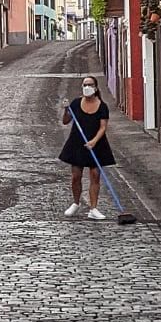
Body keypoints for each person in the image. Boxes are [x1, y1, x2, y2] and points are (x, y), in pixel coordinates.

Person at [59, 74, 114, 219]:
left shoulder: (102, 106)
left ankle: (93, 208)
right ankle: (76, 203)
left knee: (95, 175)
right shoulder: (76, 103)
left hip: (96, 143)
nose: (87, 87)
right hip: (77, 143)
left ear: (95, 88)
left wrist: (94, 141)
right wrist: (66, 109)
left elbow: (103, 127)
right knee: (76, 176)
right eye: (84, 85)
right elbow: (65, 121)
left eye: (90, 85)